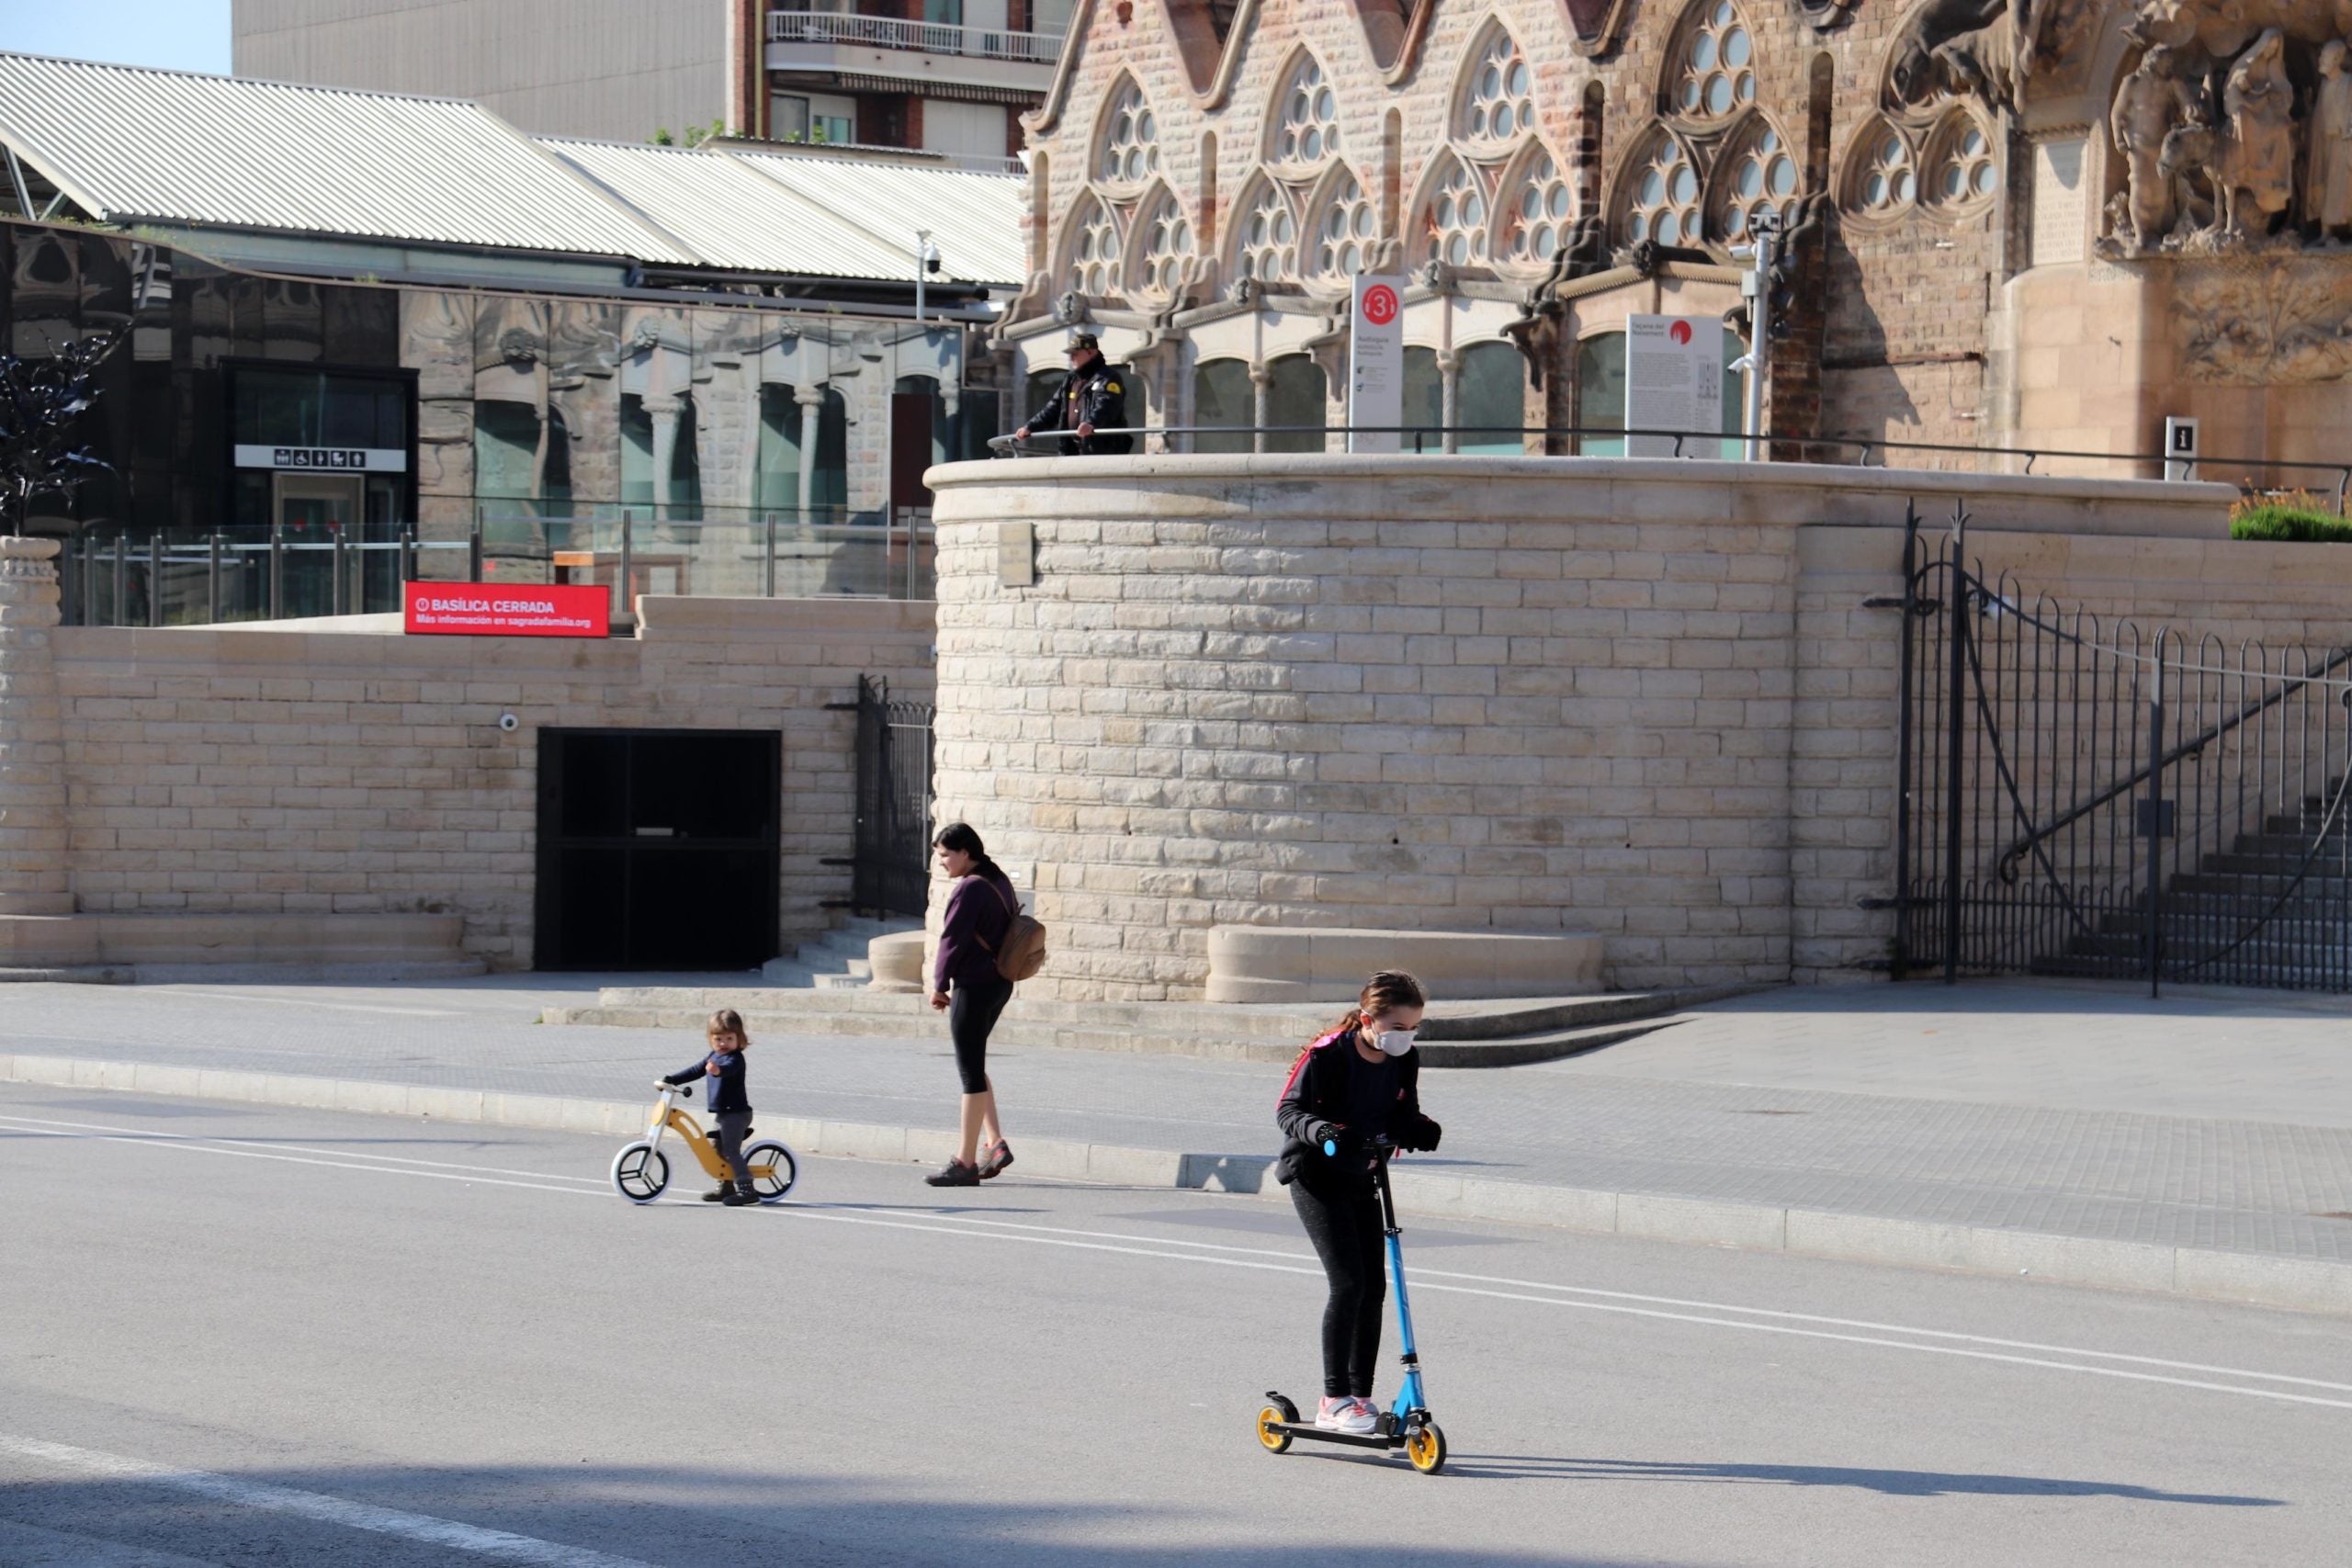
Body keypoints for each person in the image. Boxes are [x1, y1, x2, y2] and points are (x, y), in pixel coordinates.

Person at [1274, 970, 1442, 1435]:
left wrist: (1418, 1128)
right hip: (1316, 1175)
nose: (1404, 1038)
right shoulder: (1329, 1054)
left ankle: (1359, 1399)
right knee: (1348, 1284)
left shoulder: (1404, 1058)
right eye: (1396, 1029)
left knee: (1374, 1288)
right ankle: (1333, 1400)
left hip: (1363, 1173)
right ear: (1368, 1019)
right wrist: (1325, 1131)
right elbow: (1288, 1110)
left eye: (1413, 1029)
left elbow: (1401, 1110)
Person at [923, 822, 1020, 1187]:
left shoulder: (970, 889)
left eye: (946, 855)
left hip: (974, 986)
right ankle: (994, 1143)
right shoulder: (999, 881)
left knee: (969, 1073)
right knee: (975, 1065)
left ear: (966, 853)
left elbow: (951, 939)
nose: (942, 862)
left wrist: (939, 984)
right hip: (999, 983)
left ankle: (964, 1162)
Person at [661, 1009, 758, 1207]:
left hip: (737, 1114)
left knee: (730, 1150)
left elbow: (728, 1069)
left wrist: (718, 1070)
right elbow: (696, 1070)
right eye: (718, 1039)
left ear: (739, 1039)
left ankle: (747, 1189)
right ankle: (726, 1186)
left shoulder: (735, 1059)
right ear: (710, 1039)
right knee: (718, 1150)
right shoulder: (713, 1056)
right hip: (724, 1114)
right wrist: (673, 1079)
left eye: (729, 1038)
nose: (723, 1043)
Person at [1013, 333, 1134, 455]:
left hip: (1101, 450)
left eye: (1075, 354)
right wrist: (1030, 427)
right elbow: (1053, 408)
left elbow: (1107, 407)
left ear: (1091, 353)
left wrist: (1091, 423)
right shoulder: (1071, 379)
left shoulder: (1108, 377)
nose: (1071, 358)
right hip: (1072, 450)